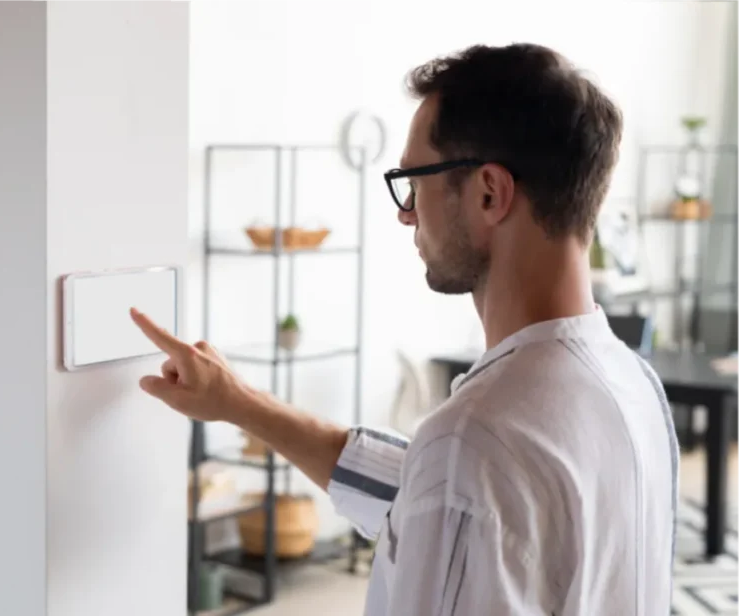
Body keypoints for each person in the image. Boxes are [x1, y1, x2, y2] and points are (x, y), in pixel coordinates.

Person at [130, 42, 678, 615]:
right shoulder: (634, 386)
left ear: (490, 192)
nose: (406, 211)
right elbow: (427, 493)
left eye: (415, 180)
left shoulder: (475, 441)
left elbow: (454, 485)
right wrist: (240, 402)